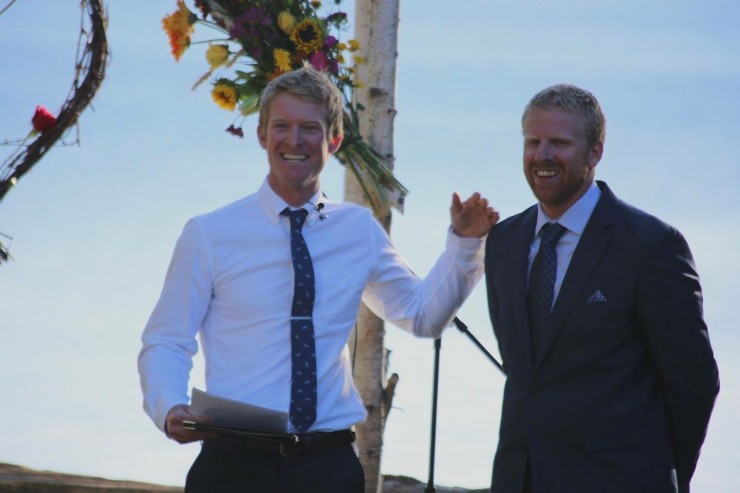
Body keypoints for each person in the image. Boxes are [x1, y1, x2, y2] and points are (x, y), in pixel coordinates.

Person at [138, 66, 498, 493]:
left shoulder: (359, 229)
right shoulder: (209, 234)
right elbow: (166, 339)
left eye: (310, 128)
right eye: (282, 126)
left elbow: (421, 316)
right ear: (261, 135)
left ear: (334, 140)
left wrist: (464, 245)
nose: (294, 141)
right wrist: (168, 406)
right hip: (233, 464)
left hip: (329, 469)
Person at [484, 84, 719, 493]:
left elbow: (694, 383)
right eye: (532, 142)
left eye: (559, 143)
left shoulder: (651, 246)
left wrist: (664, 476)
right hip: (519, 479)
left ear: (595, 153)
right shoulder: (504, 241)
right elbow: (525, 374)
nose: (542, 155)